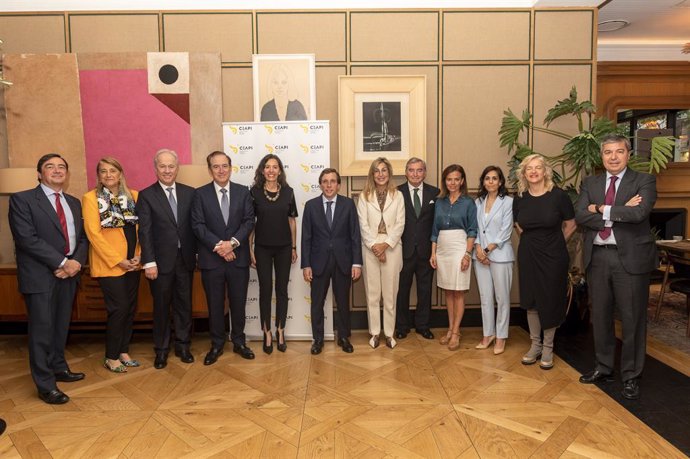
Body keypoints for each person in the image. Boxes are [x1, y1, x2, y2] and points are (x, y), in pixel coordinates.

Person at [575, 134, 657, 400]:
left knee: (632, 319)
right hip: (598, 257)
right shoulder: (591, 182)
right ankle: (604, 367)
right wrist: (615, 210)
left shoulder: (643, 180)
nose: (613, 157)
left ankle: (631, 375)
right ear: (602, 156)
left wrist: (599, 208)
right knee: (600, 316)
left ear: (628, 154)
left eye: (618, 152)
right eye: (608, 152)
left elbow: (639, 214)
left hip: (630, 260)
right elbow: (580, 215)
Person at [9, 153, 88, 404]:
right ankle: (45, 384)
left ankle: (58, 367)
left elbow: (84, 238)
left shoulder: (74, 202)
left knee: (60, 325)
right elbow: (26, 239)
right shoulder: (22, 200)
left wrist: (74, 264)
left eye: (61, 166)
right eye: (50, 167)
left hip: (69, 274)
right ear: (40, 173)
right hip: (39, 275)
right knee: (42, 330)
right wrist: (62, 262)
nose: (57, 170)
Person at [513, 154, 576, 370]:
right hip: (528, 253)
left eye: (537, 167)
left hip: (554, 255)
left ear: (545, 171)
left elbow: (571, 224)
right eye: (529, 168)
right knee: (531, 300)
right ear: (524, 173)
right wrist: (532, 241)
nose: (533, 171)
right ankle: (535, 345)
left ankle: (548, 347)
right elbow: (518, 225)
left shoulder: (558, 196)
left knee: (550, 299)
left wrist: (556, 243)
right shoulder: (520, 197)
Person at [192, 151, 255, 365]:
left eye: (224, 166)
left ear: (231, 167)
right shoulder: (199, 194)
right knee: (215, 305)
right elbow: (198, 225)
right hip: (212, 260)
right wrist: (220, 247)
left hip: (238, 258)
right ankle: (217, 344)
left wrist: (232, 243)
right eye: (216, 166)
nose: (221, 170)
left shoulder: (243, 192)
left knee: (238, 303)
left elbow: (248, 221)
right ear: (210, 170)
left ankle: (239, 341)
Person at [136, 149, 196, 369]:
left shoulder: (190, 193)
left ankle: (183, 346)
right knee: (161, 307)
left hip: (186, 260)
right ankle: (161, 350)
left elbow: (195, 227)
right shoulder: (146, 195)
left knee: (184, 305)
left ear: (177, 168)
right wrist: (148, 262)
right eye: (163, 166)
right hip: (159, 264)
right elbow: (145, 231)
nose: (167, 170)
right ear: (155, 168)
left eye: (171, 166)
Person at [82, 157, 142, 373]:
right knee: (119, 308)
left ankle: (123, 350)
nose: (108, 175)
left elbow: (142, 229)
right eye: (103, 171)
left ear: (120, 174)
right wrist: (118, 260)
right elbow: (93, 234)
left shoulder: (134, 196)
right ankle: (111, 356)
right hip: (111, 264)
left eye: (113, 171)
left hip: (133, 263)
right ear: (98, 176)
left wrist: (139, 255)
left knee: (130, 308)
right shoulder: (90, 199)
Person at [302, 168, 363, 354]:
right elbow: (306, 238)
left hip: (343, 261)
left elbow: (355, 235)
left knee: (343, 302)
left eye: (333, 181)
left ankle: (344, 337)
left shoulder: (348, 205)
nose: (329, 185)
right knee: (317, 303)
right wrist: (306, 264)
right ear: (320, 184)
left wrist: (356, 263)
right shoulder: (311, 206)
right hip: (318, 262)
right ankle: (318, 339)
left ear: (339, 185)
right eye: (325, 181)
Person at [249, 154, 298, 354]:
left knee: (282, 291)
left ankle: (280, 330)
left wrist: (294, 247)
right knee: (265, 290)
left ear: (280, 171)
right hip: (261, 248)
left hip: (284, 247)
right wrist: (249, 248)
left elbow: (292, 221)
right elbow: (249, 223)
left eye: (274, 167)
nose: (271, 170)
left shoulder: (288, 192)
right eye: (267, 167)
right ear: (262, 170)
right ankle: (266, 332)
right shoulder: (253, 193)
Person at [357, 157, 405, 349]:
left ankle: (389, 334)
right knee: (373, 294)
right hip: (370, 249)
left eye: (384, 170)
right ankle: (375, 332)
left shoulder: (398, 195)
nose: (381, 174)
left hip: (392, 248)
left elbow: (400, 223)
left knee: (390, 294)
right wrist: (375, 247)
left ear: (389, 173)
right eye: (377, 171)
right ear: (372, 174)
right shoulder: (364, 196)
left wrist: (385, 245)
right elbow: (363, 225)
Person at [430, 164, 477, 351]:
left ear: (462, 181)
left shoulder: (468, 203)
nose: (453, 182)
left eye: (456, 179)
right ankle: (450, 329)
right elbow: (434, 229)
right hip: (442, 248)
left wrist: (467, 254)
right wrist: (433, 253)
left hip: (460, 246)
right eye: (449, 179)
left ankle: (456, 332)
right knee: (448, 291)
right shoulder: (439, 202)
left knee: (458, 292)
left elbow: (472, 230)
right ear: (445, 181)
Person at [395, 157, 439, 341]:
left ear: (425, 172)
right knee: (401, 291)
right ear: (406, 172)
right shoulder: (396, 193)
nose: (415, 174)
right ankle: (401, 326)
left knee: (425, 291)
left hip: (426, 251)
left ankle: (423, 325)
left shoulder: (435, 193)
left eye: (419, 170)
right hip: (403, 251)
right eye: (411, 170)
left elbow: (437, 223)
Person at [473, 166, 514, 355]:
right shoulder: (478, 202)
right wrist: (479, 249)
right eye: (487, 178)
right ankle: (488, 334)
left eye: (494, 178)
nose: (490, 181)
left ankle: (501, 336)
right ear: (483, 181)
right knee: (485, 298)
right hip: (480, 255)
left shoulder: (508, 202)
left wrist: (488, 249)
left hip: (500, 255)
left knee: (502, 298)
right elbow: (474, 227)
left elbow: (506, 230)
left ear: (500, 182)